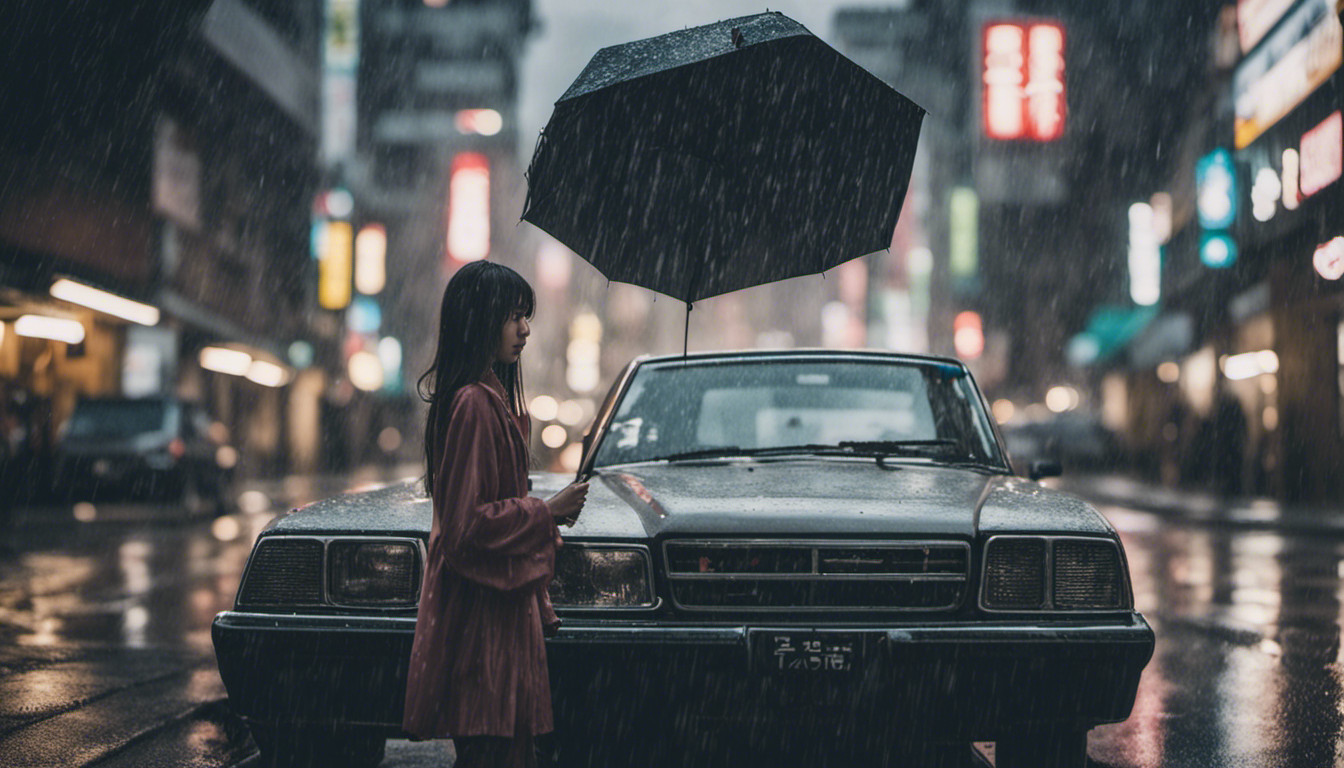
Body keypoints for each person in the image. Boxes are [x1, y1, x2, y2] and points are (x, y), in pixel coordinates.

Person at [403, 260, 589, 768]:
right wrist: (545, 512)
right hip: (483, 627)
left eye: (524, 317)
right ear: (478, 321)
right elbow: (465, 529)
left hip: (497, 620)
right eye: (513, 317)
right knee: (495, 754)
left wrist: (542, 520)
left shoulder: (489, 401)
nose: (525, 330)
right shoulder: (474, 405)